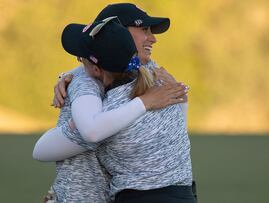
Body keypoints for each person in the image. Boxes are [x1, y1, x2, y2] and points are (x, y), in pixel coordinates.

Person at [37, 6, 196, 202]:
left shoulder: (116, 99)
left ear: (95, 67)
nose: (153, 38)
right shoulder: (151, 78)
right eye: (144, 29)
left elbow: (43, 150)